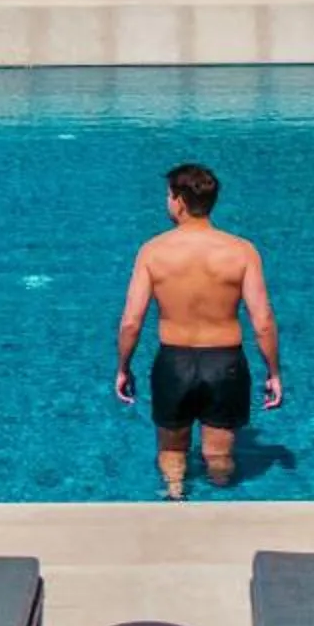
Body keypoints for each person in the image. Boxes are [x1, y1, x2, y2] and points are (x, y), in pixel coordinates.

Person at [115, 160, 282, 499]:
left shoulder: (153, 251)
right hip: (225, 364)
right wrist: (273, 372)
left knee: (173, 451)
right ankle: (220, 501)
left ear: (178, 200)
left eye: (167, 195)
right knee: (218, 456)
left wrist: (123, 367)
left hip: (174, 363)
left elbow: (132, 321)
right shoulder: (242, 251)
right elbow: (262, 320)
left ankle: (175, 495)